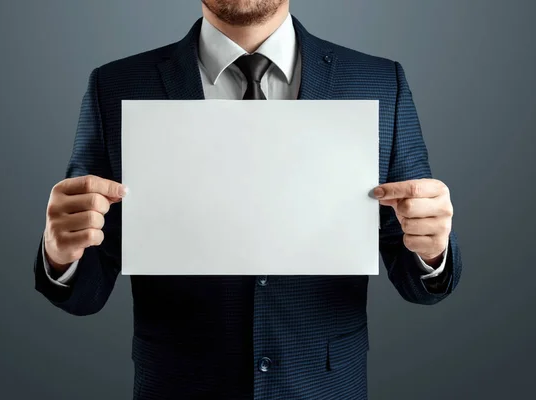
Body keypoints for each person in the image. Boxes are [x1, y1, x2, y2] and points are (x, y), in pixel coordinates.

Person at [34, 1, 462, 399]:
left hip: (323, 385)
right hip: (179, 385)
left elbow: (414, 276)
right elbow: (88, 286)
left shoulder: (379, 80)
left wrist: (432, 250)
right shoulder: (116, 85)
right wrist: (61, 256)